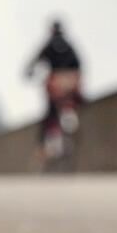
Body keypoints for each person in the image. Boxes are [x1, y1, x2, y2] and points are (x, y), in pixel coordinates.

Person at [25, 20, 84, 162]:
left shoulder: (49, 45)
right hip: (71, 83)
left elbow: (35, 62)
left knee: (50, 112)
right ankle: (71, 120)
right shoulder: (69, 45)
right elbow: (79, 64)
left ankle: (47, 142)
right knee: (75, 100)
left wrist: (30, 73)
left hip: (56, 84)